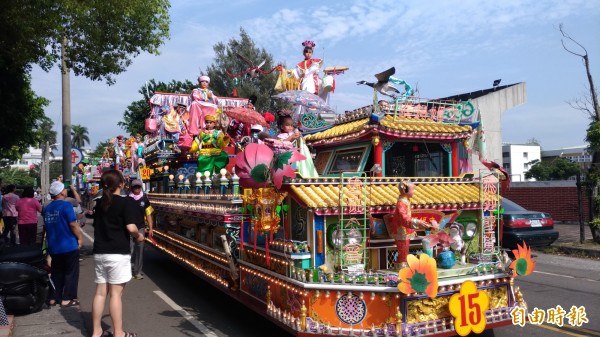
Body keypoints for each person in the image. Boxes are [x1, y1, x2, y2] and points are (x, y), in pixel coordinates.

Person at [91, 169, 144, 337]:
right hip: (117, 254)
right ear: (121, 183)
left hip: (100, 252)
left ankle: (96, 331)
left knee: (100, 293)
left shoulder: (99, 203)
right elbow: (131, 227)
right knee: (115, 295)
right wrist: (139, 236)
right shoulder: (125, 202)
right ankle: (119, 333)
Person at [42, 180, 83, 307]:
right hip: (68, 244)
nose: (66, 191)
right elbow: (73, 224)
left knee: (56, 272)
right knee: (71, 272)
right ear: (61, 193)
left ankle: (53, 298)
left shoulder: (47, 208)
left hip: (54, 246)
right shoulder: (66, 206)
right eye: (64, 189)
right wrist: (80, 238)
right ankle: (68, 298)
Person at [386, 181, 438, 266]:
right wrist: (417, 222)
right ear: (404, 191)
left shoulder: (405, 201)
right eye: (412, 190)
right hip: (401, 230)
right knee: (403, 252)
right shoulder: (401, 203)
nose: (414, 192)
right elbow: (404, 218)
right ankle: (401, 268)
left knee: (404, 251)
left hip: (404, 230)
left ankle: (403, 266)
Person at [128, 179, 154, 280]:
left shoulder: (145, 199)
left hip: (140, 228)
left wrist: (150, 228)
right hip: (129, 228)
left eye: (138, 186)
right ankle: (126, 271)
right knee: (129, 250)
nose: (137, 188)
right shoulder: (127, 199)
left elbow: (148, 214)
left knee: (140, 250)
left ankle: (137, 271)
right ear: (132, 187)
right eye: (135, 187)